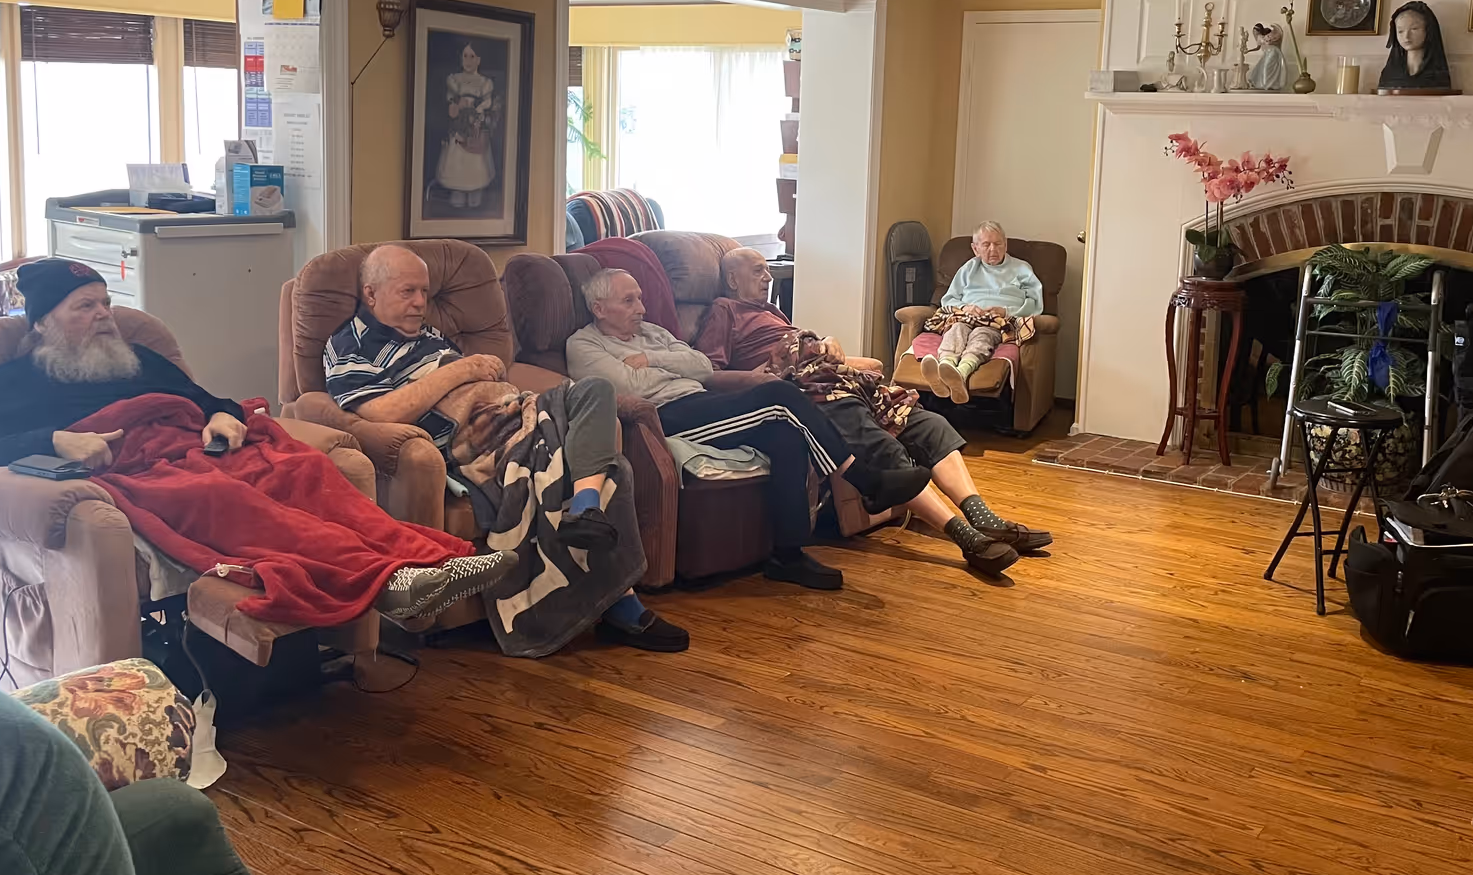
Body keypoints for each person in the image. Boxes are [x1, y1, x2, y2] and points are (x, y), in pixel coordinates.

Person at [0, 258, 513, 627]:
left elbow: (208, 399)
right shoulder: (6, 384)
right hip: (137, 466)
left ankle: (435, 559)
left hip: (199, 443)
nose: (106, 317)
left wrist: (223, 419)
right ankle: (387, 581)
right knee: (222, 499)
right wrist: (54, 440)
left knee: (305, 472)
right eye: (86, 308)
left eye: (106, 303)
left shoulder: (140, 356)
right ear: (44, 323)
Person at [325, 245, 687, 653]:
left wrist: (491, 374)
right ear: (371, 294)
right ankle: (620, 600)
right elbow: (378, 409)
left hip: (519, 409)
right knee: (611, 466)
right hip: (478, 440)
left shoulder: (427, 335)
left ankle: (586, 507)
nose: (421, 303)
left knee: (596, 392)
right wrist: (463, 369)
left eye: (425, 292)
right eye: (408, 292)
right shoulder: (350, 345)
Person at [568, 269, 932, 590]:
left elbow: (700, 365)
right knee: (777, 393)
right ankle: (865, 481)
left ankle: (787, 556)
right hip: (667, 418)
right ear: (599, 308)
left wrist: (652, 358)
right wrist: (670, 370)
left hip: (702, 401)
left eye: (640, 299)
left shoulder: (653, 334)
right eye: (629, 301)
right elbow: (631, 386)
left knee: (785, 435)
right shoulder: (584, 344)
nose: (642, 308)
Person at [696, 247, 1052, 574]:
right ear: (731, 279)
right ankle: (964, 536)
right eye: (758, 271)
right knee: (879, 445)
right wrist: (763, 378)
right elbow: (709, 372)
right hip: (806, 390)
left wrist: (825, 342)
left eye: (766, 271)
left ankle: (983, 517)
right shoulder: (724, 310)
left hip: (836, 378)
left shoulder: (771, 312)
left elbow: (800, 345)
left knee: (927, 422)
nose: (768, 277)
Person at [919, 221, 1044, 403]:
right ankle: (945, 366)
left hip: (997, 320)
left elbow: (1036, 303)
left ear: (1005, 244)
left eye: (998, 244)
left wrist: (1006, 310)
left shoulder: (1022, 269)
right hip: (968, 315)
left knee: (982, 334)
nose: (992, 249)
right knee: (957, 329)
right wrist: (965, 308)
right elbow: (948, 299)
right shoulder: (968, 268)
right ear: (975, 248)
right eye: (986, 244)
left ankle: (961, 373)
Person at [434, 41, 498, 208]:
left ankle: (475, 197)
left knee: (476, 165)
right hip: (459, 129)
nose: (468, 60)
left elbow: (487, 102)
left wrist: (477, 110)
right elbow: (450, 102)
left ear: (478, 60)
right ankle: (458, 196)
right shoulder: (454, 80)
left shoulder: (485, 83)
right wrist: (456, 106)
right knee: (457, 165)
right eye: (465, 56)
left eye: (472, 56)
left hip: (475, 128)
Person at [1376, 1, 1452, 93]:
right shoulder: (1390, 74)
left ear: (1428, 30)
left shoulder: (1437, 74)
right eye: (1400, 31)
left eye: (1414, 29)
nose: (1406, 36)